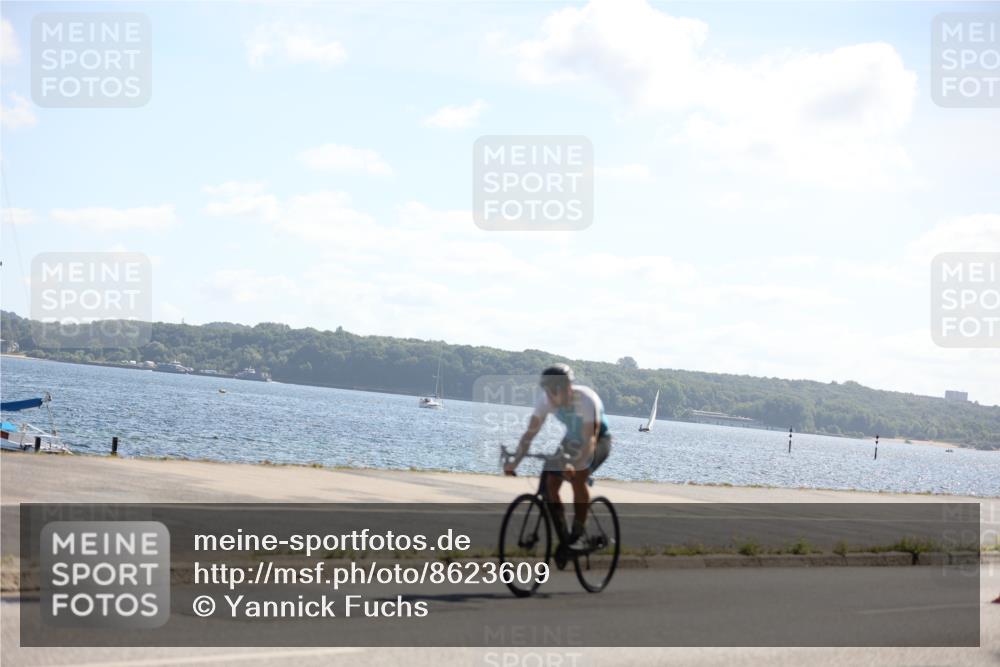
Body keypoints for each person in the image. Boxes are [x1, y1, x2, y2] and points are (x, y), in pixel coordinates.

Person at [504, 364, 611, 552]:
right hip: (572, 440)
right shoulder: (544, 401)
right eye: (548, 390)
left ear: (568, 388)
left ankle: (578, 534)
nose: (552, 395)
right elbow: (529, 435)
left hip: (598, 440)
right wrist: (515, 462)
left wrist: (575, 464)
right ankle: (564, 539)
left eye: (556, 390)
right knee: (551, 482)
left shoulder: (586, 400)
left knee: (579, 476)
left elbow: (590, 440)